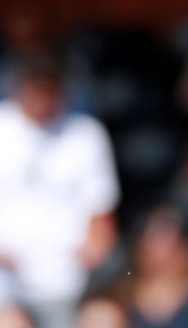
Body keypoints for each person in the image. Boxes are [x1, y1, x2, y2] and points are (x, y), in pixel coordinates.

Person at [0, 48, 121, 328]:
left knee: (103, 320)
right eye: (35, 88)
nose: (41, 99)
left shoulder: (86, 135)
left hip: (69, 283)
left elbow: (102, 217)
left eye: (49, 89)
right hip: (6, 284)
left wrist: (88, 258)